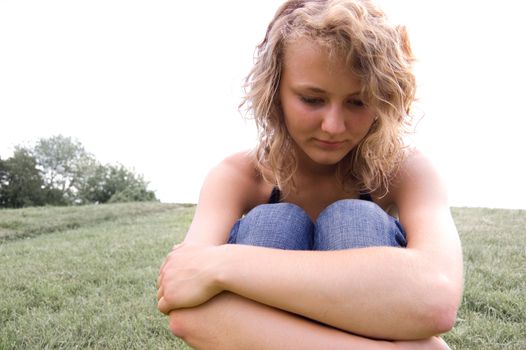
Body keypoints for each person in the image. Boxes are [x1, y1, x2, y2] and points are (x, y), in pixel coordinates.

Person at [157, 0, 463, 348]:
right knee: (273, 223)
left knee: (354, 218)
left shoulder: (404, 171)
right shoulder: (238, 176)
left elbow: (436, 297)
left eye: (358, 102)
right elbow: (187, 310)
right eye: (312, 99)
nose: (333, 126)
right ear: (275, 92)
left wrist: (220, 264)